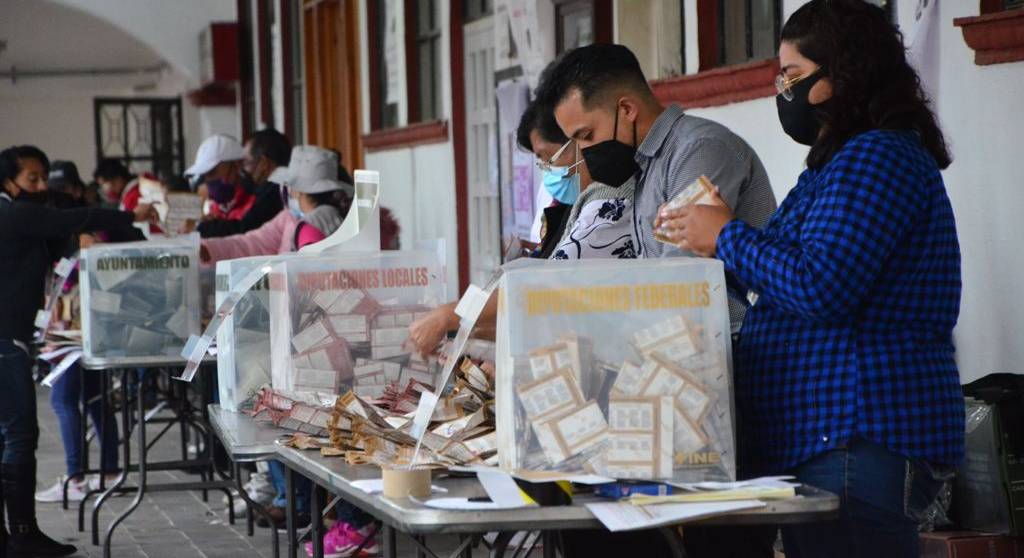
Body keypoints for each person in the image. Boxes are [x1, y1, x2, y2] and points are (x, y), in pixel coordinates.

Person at [656, 1, 962, 556]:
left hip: (859, 438)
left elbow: (821, 285)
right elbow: (782, 287)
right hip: (824, 443)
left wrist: (727, 236)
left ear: (843, 73)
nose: (782, 91)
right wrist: (713, 245)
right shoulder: (835, 165)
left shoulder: (878, 157)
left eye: (793, 76)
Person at [535, 43, 777, 333]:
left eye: (586, 136)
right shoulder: (644, 165)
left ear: (626, 109)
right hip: (690, 346)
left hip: (734, 347)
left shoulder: (697, 150)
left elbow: (681, 282)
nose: (584, 152)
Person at [1, 145, 154, 557]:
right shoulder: (12, 212)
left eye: (41, 178)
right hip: (4, 342)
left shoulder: (18, 216)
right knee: (18, 435)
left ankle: (14, 534)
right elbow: (76, 216)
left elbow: (61, 234)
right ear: (7, 181)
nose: (37, 186)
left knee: (12, 435)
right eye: (30, 179)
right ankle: (21, 533)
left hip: (11, 339)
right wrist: (129, 216)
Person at [197, 129, 291, 238]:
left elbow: (245, 229)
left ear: (263, 163)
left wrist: (202, 227)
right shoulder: (274, 188)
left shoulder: (276, 191)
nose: (241, 169)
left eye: (245, 163)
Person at [185, 134, 254, 225]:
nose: (207, 180)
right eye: (203, 176)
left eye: (211, 172)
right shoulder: (214, 210)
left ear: (237, 165)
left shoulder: (257, 204)